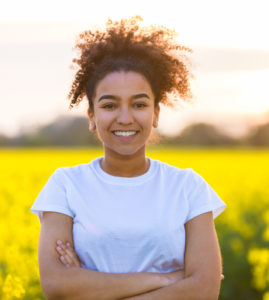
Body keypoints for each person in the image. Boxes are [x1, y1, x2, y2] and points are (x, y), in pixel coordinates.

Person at [30, 15, 227, 300]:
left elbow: (204, 289)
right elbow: (57, 286)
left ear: (156, 114)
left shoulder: (188, 187)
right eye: (109, 105)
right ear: (92, 116)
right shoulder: (65, 184)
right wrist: (166, 279)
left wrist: (90, 286)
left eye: (139, 104)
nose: (125, 118)